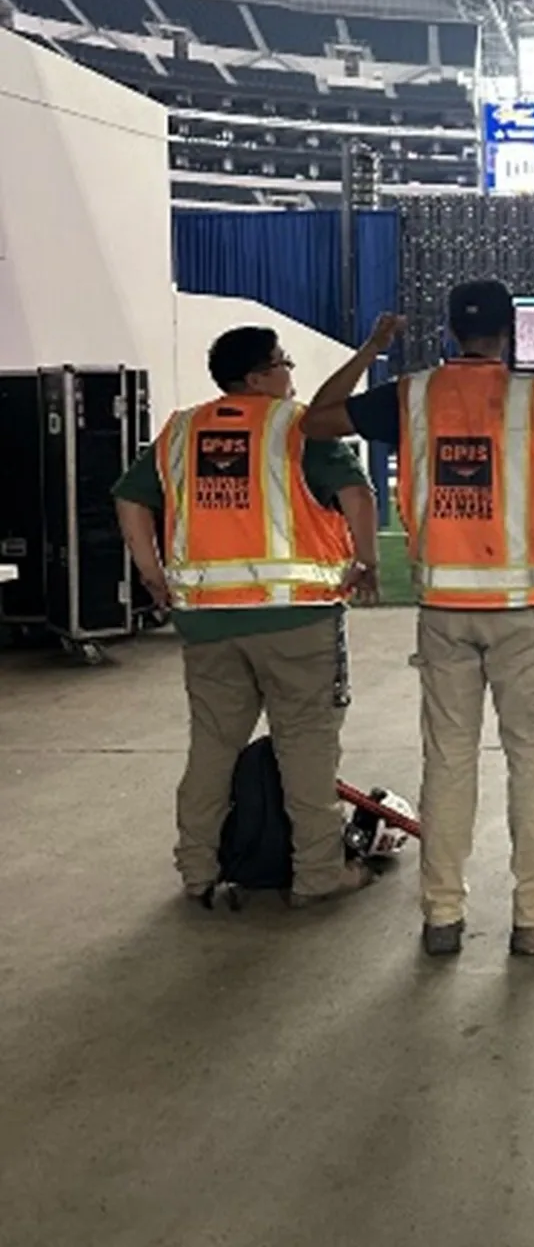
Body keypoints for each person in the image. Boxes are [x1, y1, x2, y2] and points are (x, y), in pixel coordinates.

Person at [302, 280, 534, 958]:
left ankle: (443, 917)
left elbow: (316, 417)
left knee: (447, 764)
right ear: (509, 332)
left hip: (445, 611)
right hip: (524, 614)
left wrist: (371, 347)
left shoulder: (412, 396)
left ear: (449, 331)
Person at [113, 325, 381, 907]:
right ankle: (318, 873)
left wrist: (152, 574)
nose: (291, 374)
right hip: (296, 620)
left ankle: (197, 871)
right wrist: (366, 560)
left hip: (207, 622)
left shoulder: (182, 430)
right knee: (307, 748)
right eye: (283, 364)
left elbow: (130, 497)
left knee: (212, 747)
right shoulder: (298, 426)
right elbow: (358, 495)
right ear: (259, 377)